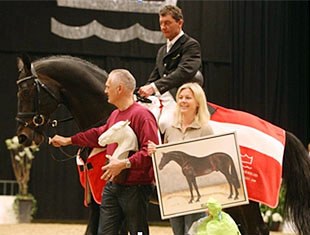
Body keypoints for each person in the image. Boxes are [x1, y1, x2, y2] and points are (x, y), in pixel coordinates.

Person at [49, 69, 159, 235]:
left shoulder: (143, 115)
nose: (105, 90)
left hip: (135, 188)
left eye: (108, 86)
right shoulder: (115, 114)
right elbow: (99, 134)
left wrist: (125, 164)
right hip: (113, 185)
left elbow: (151, 152)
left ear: (120, 89)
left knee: (138, 232)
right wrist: (69, 140)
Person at [148, 82, 214, 235]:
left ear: (198, 102)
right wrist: (155, 152)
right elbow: (167, 157)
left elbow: (210, 163)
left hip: (197, 195)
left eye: (188, 98)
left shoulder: (206, 129)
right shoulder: (170, 129)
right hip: (175, 193)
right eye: (181, 97)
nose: (183, 101)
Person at [138, 5, 203, 133]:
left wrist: (154, 87)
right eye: (161, 23)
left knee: (165, 123)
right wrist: (140, 93)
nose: (163, 27)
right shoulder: (162, 50)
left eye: (167, 23)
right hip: (162, 95)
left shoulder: (190, 45)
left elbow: (184, 71)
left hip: (179, 96)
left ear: (180, 23)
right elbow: (155, 76)